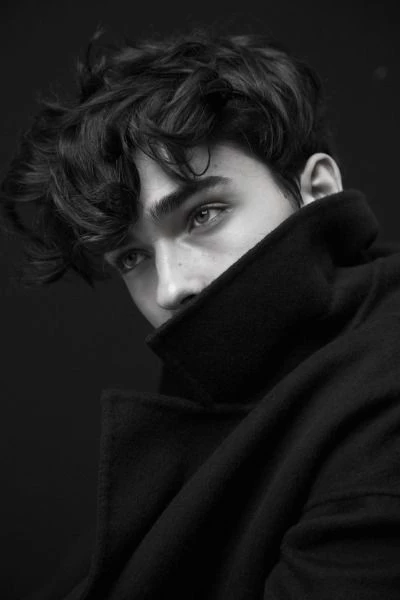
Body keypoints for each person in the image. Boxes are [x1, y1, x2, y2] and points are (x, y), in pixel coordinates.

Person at [2, 25, 400, 600]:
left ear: (318, 189)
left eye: (203, 214)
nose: (170, 288)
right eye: (132, 256)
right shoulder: (221, 382)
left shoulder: (384, 401)